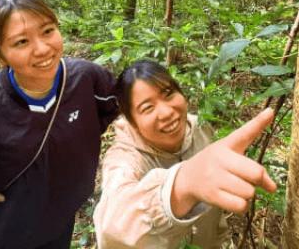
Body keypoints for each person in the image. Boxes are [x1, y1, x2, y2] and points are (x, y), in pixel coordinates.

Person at [0, 0, 119, 249]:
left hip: (60, 221)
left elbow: (121, 109)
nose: (42, 49)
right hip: (3, 230)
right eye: (21, 42)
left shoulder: (86, 79)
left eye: (48, 31)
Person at [93, 60, 277, 248]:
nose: (166, 112)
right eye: (147, 108)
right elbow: (111, 227)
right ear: (132, 121)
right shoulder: (125, 158)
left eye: (168, 94)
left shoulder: (199, 127)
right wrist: (180, 186)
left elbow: (214, 216)